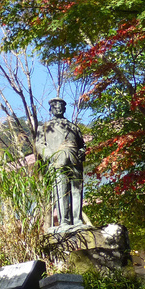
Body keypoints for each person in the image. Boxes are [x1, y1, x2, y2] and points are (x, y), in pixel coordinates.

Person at [36, 97, 86, 228]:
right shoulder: (44, 128)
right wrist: (51, 156)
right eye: (55, 107)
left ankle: (77, 219)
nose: (58, 108)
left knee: (77, 191)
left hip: (75, 160)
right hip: (58, 161)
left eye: (60, 106)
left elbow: (82, 145)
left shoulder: (74, 127)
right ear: (51, 109)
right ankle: (64, 220)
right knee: (61, 190)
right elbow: (40, 145)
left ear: (64, 109)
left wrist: (82, 151)